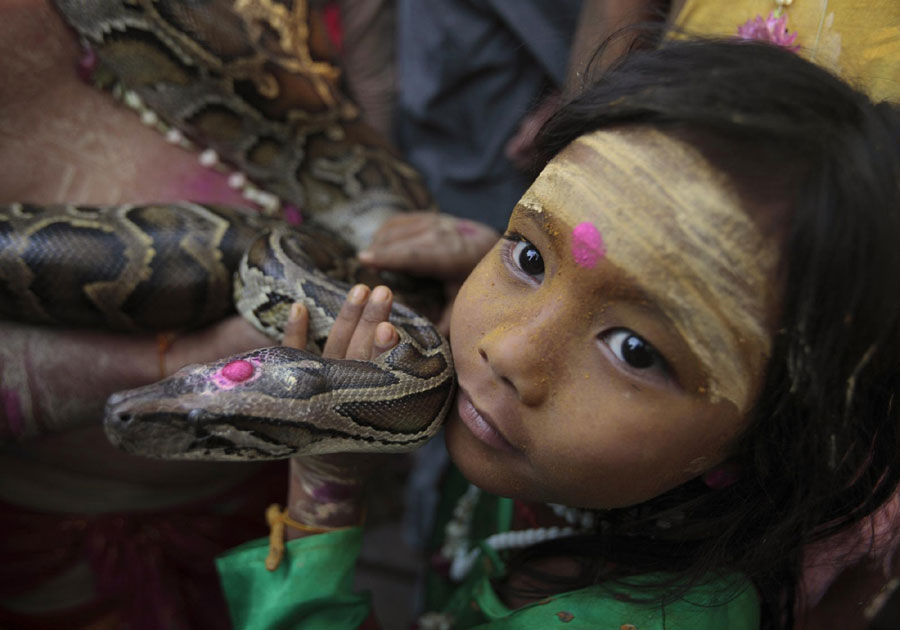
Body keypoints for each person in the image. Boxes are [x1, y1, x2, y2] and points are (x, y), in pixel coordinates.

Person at [214, 38, 900, 629]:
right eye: (531, 256)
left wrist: (326, 492)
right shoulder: (536, 449)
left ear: (779, 431)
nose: (508, 351)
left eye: (635, 350)